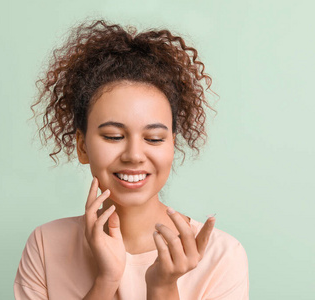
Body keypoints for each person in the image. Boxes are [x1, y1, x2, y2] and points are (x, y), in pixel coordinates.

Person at [14, 20, 249, 300]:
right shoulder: (45, 245)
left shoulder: (221, 255)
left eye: (154, 139)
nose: (135, 155)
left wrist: (162, 288)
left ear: (172, 146)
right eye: (113, 136)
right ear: (82, 147)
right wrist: (106, 280)